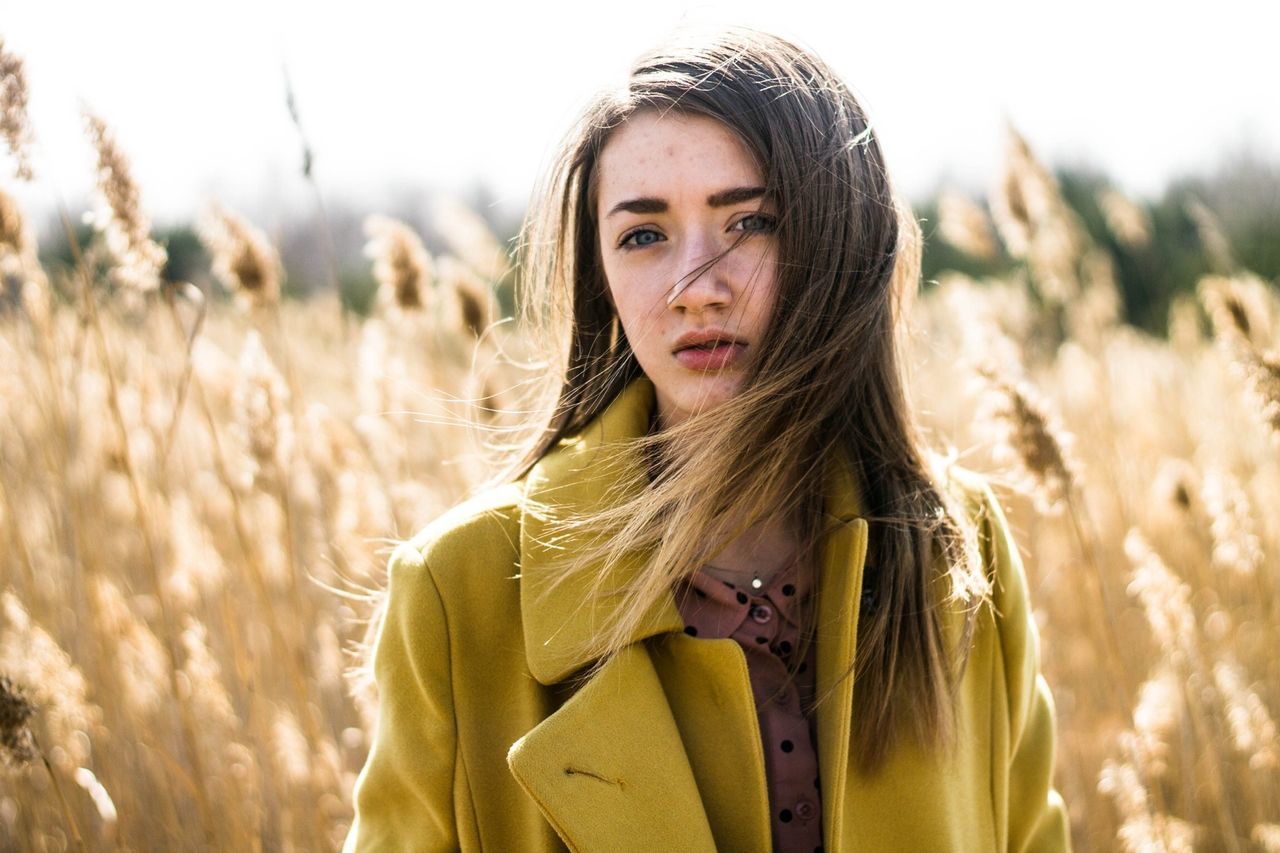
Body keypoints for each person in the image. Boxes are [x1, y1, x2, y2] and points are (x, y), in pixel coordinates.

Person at [343, 24, 1071, 853]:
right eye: (643, 235)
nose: (695, 287)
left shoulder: (956, 547)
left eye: (749, 222)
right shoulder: (459, 591)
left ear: (840, 242)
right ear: (602, 275)